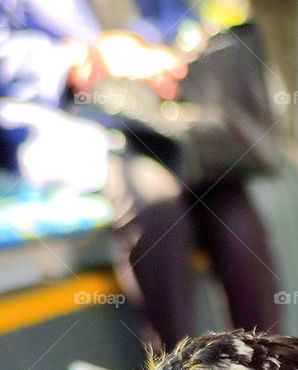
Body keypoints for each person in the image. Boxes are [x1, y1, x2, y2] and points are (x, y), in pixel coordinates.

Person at [0, 0, 281, 350]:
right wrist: (80, 60)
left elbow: (175, 16)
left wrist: (156, 53)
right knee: (157, 205)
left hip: (152, 111)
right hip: (64, 117)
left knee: (233, 206)